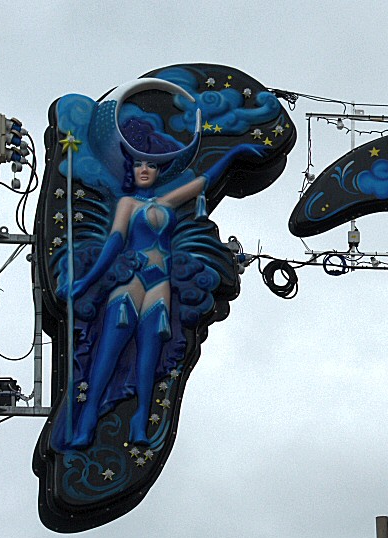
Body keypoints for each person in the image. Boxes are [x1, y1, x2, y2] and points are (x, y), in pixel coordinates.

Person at [61, 132, 263, 449]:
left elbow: (204, 181)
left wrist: (234, 153)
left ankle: (140, 423)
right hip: (131, 280)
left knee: (148, 359)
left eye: (151, 166)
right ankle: (86, 422)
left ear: (158, 171)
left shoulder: (167, 202)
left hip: (160, 283)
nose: (145, 170)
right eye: (139, 165)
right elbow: (114, 243)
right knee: (108, 354)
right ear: (132, 170)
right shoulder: (126, 203)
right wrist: (86, 282)